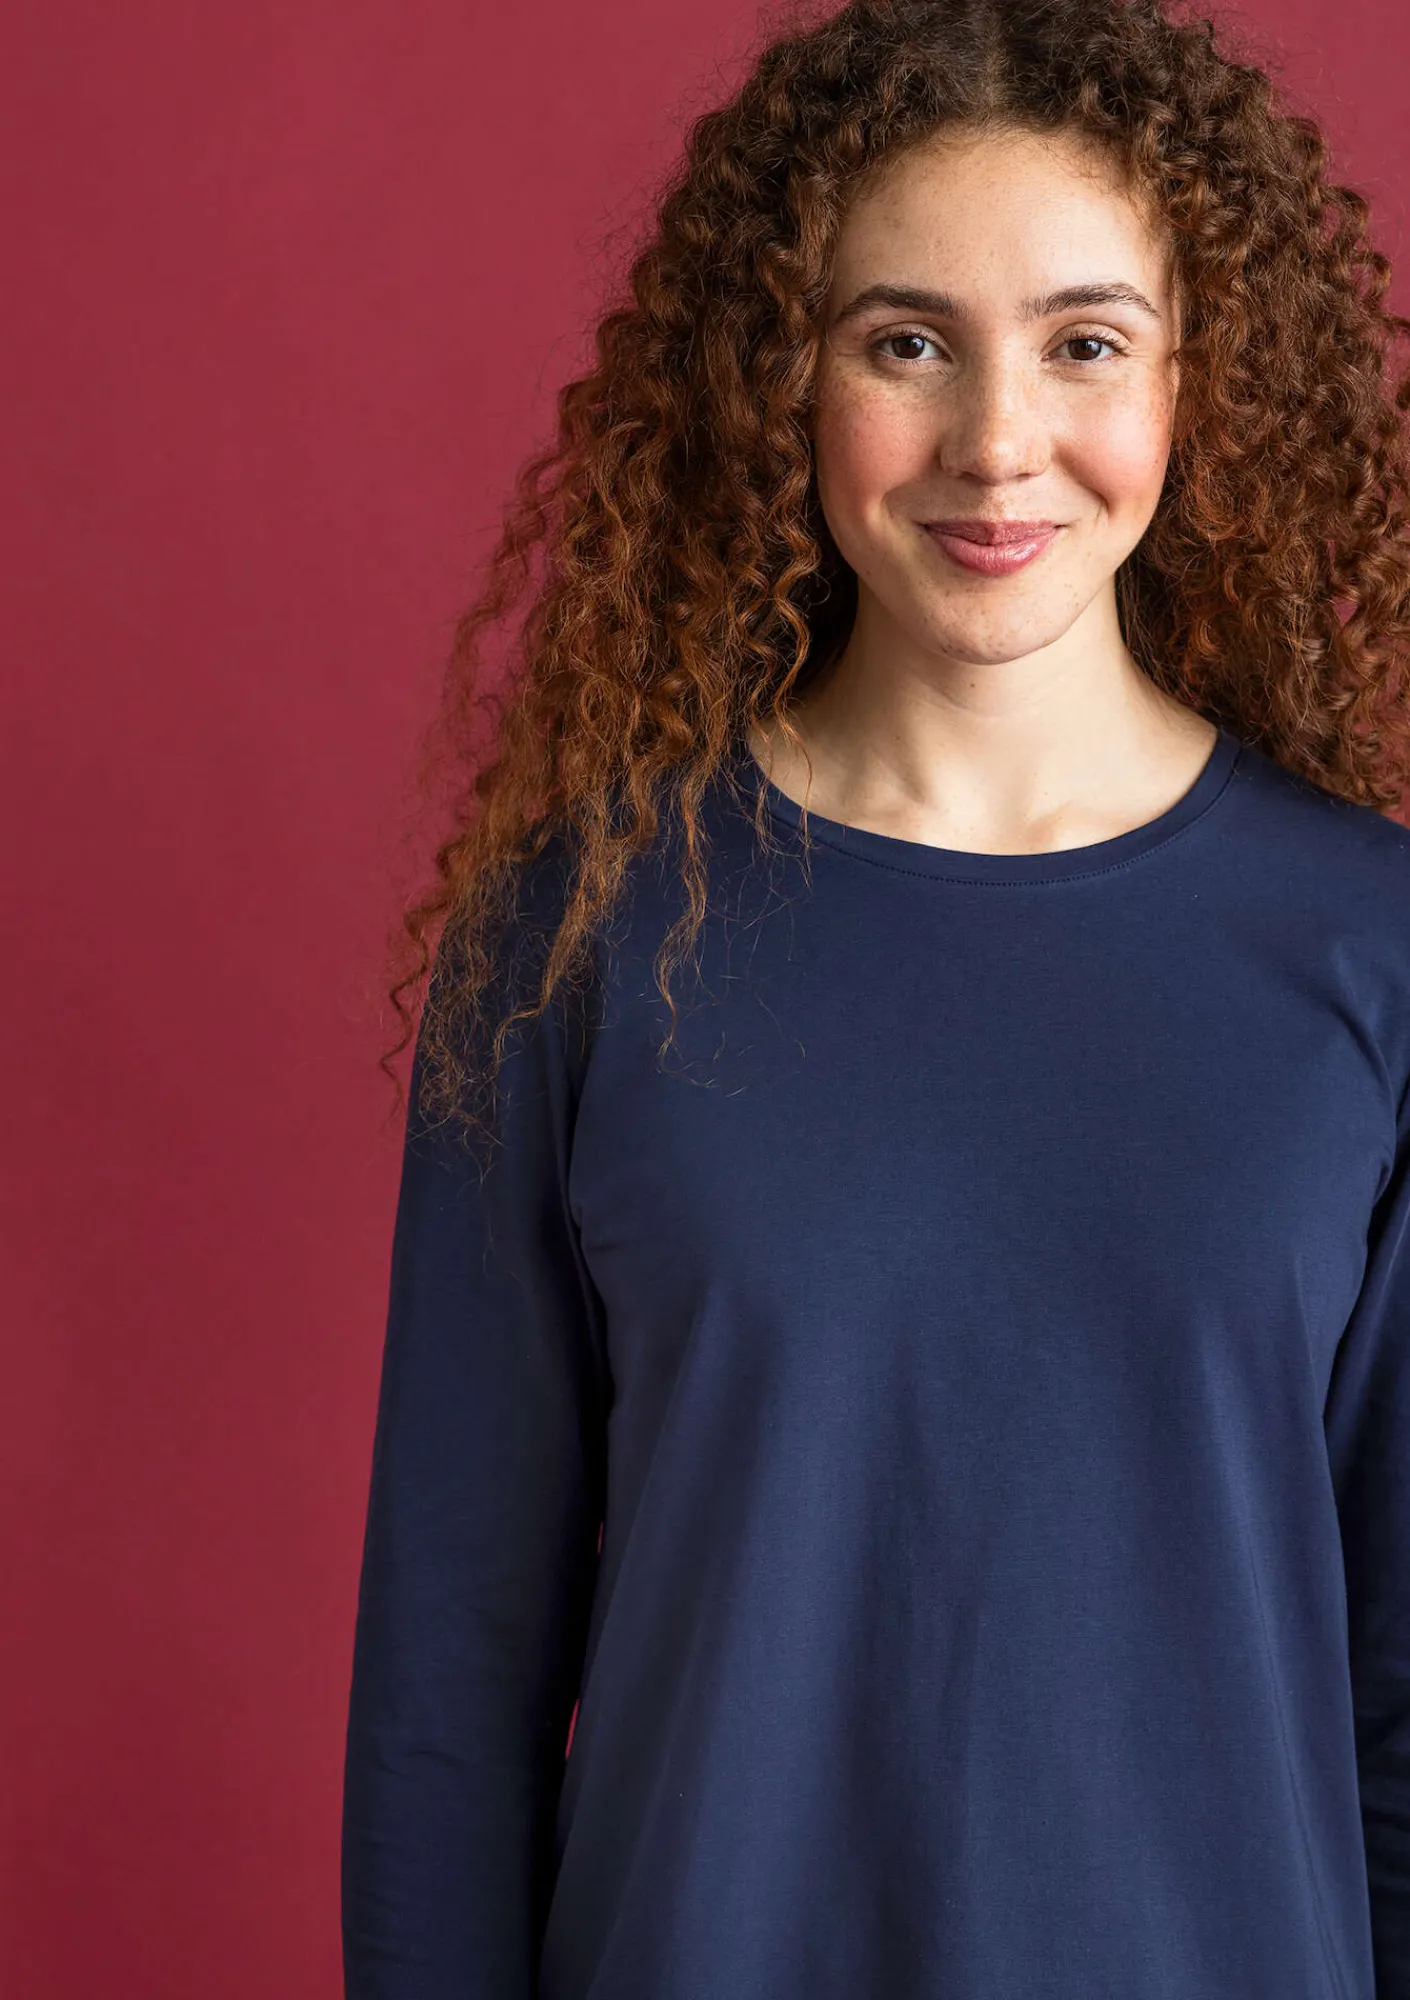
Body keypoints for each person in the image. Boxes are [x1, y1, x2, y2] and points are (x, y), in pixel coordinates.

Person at [340, 0, 1410, 1993]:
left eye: (1085, 343)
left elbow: (1406, 1703)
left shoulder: (1379, 959)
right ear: (783, 378)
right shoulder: (580, 939)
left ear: (1198, 377)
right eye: (904, 343)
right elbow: (449, 1697)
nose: (996, 441)